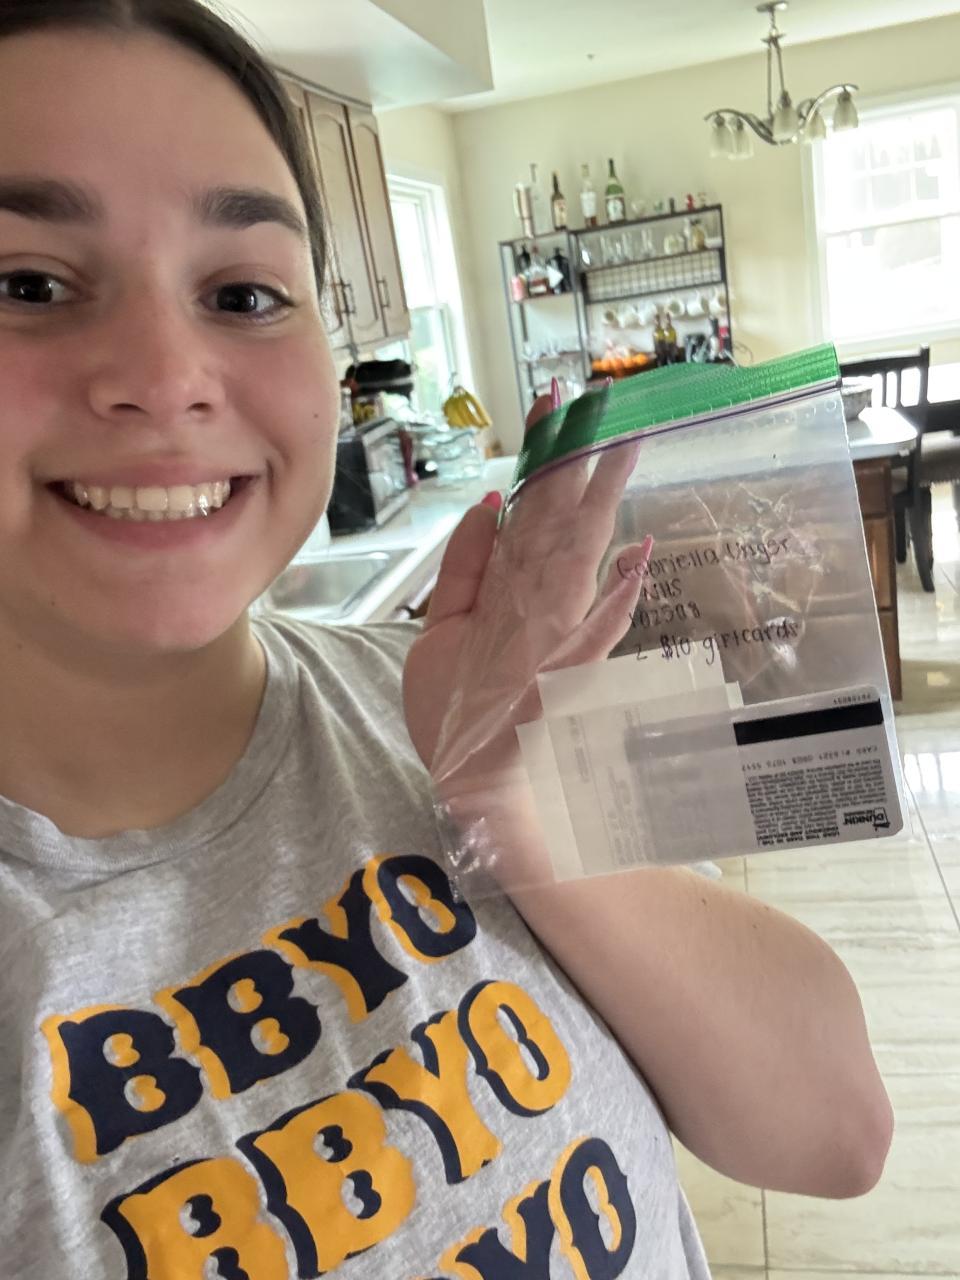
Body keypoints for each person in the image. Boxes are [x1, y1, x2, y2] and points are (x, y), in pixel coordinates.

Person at [0, 2, 893, 1276]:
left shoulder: (437, 708)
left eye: (245, 292)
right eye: (27, 284)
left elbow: (837, 1130)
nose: (166, 371)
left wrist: (513, 812)